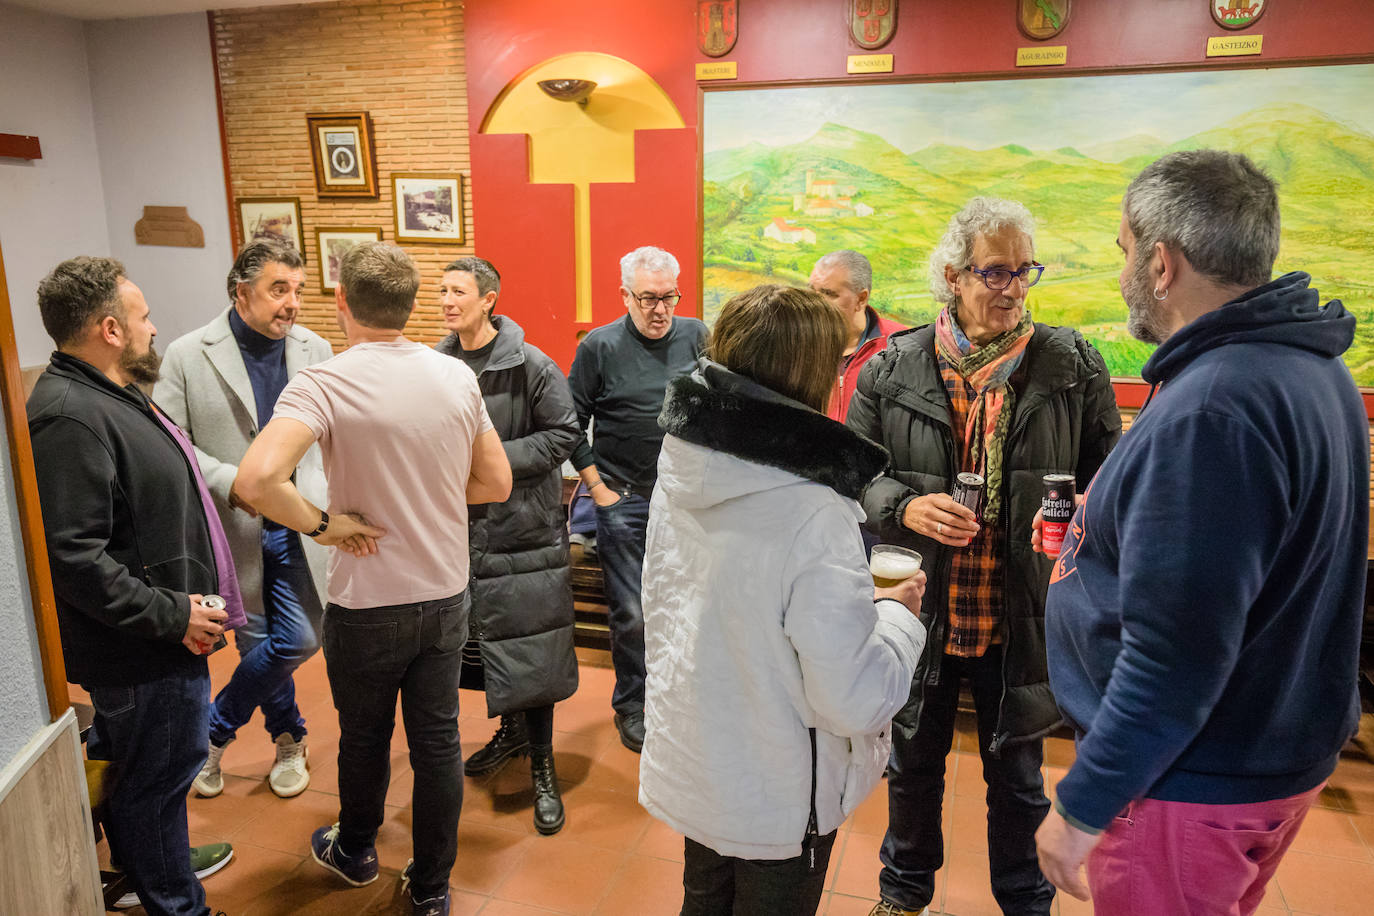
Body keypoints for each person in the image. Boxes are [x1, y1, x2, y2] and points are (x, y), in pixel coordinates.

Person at [1035, 150, 1369, 914]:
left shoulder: (1214, 407)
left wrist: (1082, 806)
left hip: (1185, 779)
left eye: (1124, 251)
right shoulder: (1309, 368)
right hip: (1266, 748)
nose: (1123, 269)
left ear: (1160, 263)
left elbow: (1176, 654)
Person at [846, 197, 1121, 916]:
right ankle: (903, 895)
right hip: (919, 608)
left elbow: (1107, 481)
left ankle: (1025, 905)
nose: (1013, 287)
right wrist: (903, 507)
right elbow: (855, 476)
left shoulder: (1072, 365)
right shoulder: (893, 368)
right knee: (909, 769)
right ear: (952, 275)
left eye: (1023, 270)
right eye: (995, 271)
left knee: (1020, 779)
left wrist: (1076, 526)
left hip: (1021, 614)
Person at [234, 242, 513, 916]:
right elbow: (496, 481)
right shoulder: (454, 378)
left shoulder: (324, 381)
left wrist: (323, 524)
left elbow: (254, 481)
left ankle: (356, 849)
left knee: (365, 737)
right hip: (444, 594)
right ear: (414, 305)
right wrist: (433, 495)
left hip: (367, 603)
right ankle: (432, 887)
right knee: (438, 740)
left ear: (341, 303)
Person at [639, 284, 929, 915]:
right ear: (813, 375)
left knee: (704, 902)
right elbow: (850, 698)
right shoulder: (811, 508)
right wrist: (900, 619)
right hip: (776, 784)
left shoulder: (683, 465)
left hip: (701, 757)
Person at [27, 256, 243, 916]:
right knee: (160, 778)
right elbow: (75, 558)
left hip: (155, 634)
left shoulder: (106, 392)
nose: (155, 326)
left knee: (141, 772)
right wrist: (172, 615)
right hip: (144, 648)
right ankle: (178, 904)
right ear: (111, 328)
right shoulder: (69, 416)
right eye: (143, 316)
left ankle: (146, 867)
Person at [156, 239, 332, 800]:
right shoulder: (187, 354)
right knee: (256, 643)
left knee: (301, 638)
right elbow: (173, 444)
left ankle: (209, 731)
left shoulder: (316, 349)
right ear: (241, 293)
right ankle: (289, 738)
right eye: (279, 289)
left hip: (302, 525)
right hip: (235, 530)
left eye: (298, 290)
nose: (292, 303)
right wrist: (234, 484)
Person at [434, 256, 580, 835]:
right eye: (441, 291)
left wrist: (492, 464)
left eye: (458, 291)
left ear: (489, 298)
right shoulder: (434, 364)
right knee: (482, 649)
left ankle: (542, 763)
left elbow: (565, 433)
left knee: (532, 651)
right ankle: (511, 733)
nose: (446, 301)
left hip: (522, 530)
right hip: (458, 532)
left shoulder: (531, 365)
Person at [567, 245, 708, 752]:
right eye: (648, 298)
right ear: (624, 295)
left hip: (685, 499)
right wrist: (598, 489)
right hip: (623, 498)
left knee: (686, 606)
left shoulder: (698, 336)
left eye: (669, 297)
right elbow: (568, 423)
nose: (659, 310)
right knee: (632, 612)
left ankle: (678, 698)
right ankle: (633, 704)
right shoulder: (599, 348)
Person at [808, 249, 906, 422]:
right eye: (811, 291)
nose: (814, 303)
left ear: (861, 299)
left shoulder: (901, 346)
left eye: (828, 294)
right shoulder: (796, 343)